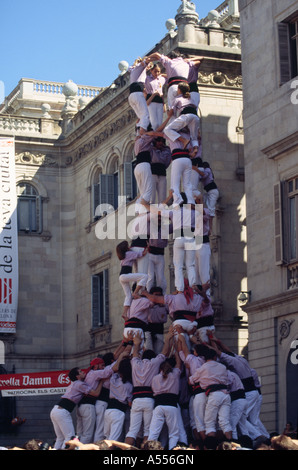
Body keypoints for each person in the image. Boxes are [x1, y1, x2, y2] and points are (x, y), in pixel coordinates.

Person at [125, 328, 174, 447]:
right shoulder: (154, 363)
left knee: (132, 431)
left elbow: (135, 353)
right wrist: (168, 338)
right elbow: (165, 352)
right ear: (152, 356)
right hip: (148, 399)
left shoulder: (135, 363)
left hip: (136, 399)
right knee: (148, 430)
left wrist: (136, 343)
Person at [50, 367, 104, 449]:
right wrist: (101, 381)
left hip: (56, 410)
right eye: (80, 372)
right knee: (70, 437)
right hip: (63, 411)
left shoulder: (74, 384)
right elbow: (96, 393)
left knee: (60, 438)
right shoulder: (79, 384)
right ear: (77, 376)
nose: (83, 372)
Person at [188, 346, 233, 442]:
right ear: (215, 357)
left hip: (214, 395)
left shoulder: (203, 368)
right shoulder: (223, 367)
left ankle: (210, 447)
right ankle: (230, 444)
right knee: (225, 422)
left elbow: (191, 381)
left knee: (209, 423)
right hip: (226, 394)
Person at [147, 348, 183, 450]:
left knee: (153, 432)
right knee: (173, 433)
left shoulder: (155, 378)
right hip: (171, 405)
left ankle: (149, 449)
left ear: (160, 369)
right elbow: (179, 364)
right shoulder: (175, 374)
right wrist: (176, 353)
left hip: (159, 405)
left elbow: (152, 389)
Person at [163, 82, 200, 157]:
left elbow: (171, 113)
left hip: (186, 116)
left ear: (179, 89)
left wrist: (166, 109)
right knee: (194, 136)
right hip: (195, 117)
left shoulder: (177, 99)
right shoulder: (190, 98)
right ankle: (195, 149)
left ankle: (184, 140)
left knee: (167, 130)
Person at [103, 354, 133, 442]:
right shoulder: (129, 386)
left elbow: (113, 370)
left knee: (107, 437)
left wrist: (120, 360)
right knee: (113, 439)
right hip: (119, 412)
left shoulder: (113, 379)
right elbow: (130, 403)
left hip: (108, 411)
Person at [116, 240, 149, 319]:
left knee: (128, 296)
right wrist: (147, 247)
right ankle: (136, 292)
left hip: (121, 277)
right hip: (125, 275)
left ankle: (124, 313)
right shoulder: (129, 254)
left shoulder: (123, 256)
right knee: (145, 276)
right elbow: (142, 254)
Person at [128, 57, 151, 135]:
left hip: (131, 96)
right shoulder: (140, 67)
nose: (148, 68)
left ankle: (138, 133)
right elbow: (147, 61)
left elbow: (129, 68)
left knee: (141, 117)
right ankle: (142, 131)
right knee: (146, 114)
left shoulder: (134, 69)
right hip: (137, 94)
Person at [144, 287, 168, 354]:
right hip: (148, 328)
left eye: (159, 295)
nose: (157, 297)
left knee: (159, 351)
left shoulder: (164, 305)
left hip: (159, 328)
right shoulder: (147, 303)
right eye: (156, 295)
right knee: (149, 351)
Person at [145, 64, 167, 130]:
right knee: (154, 122)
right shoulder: (147, 78)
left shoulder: (161, 79)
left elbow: (171, 76)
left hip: (159, 99)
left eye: (158, 71)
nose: (157, 73)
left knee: (160, 121)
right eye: (155, 71)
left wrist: (162, 74)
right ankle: (155, 134)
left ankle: (159, 135)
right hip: (151, 98)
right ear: (151, 71)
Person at [150, 137, 171, 204]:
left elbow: (167, 162)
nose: (160, 143)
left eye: (162, 141)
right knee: (151, 197)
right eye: (158, 141)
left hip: (162, 174)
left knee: (162, 197)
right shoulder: (151, 149)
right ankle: (150, 213)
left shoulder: (166, 150)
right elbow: (155, 159)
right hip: (152, 174)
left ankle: (161, 213)